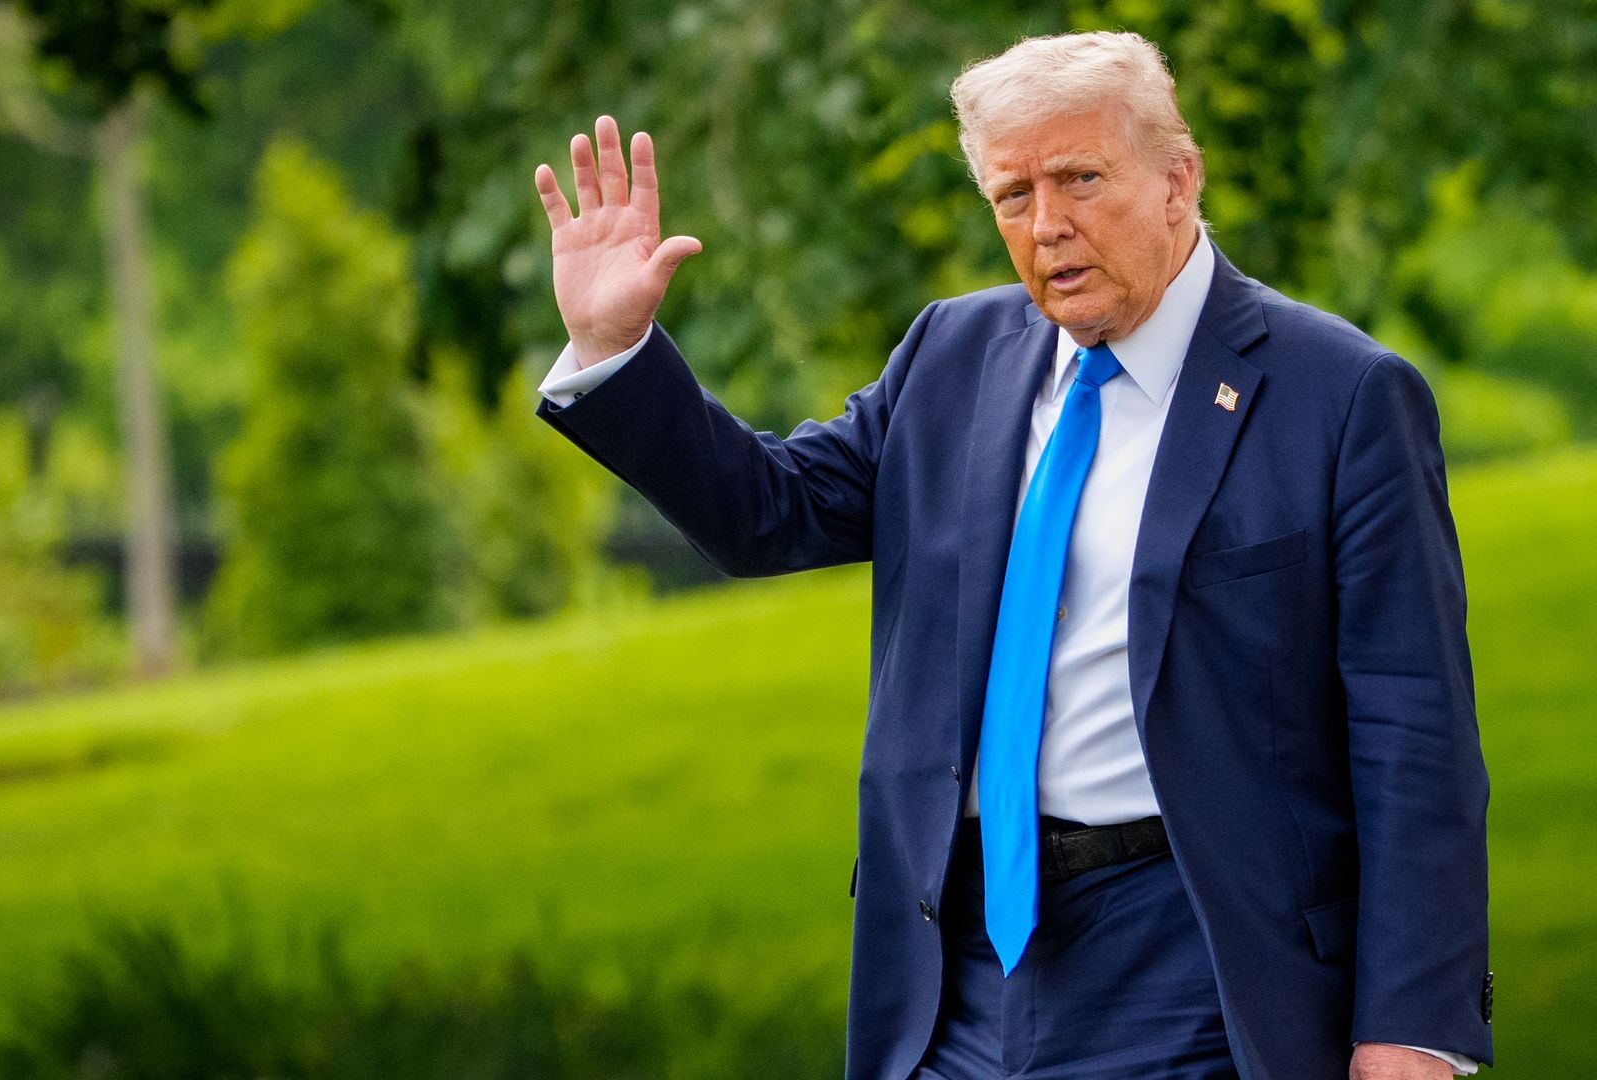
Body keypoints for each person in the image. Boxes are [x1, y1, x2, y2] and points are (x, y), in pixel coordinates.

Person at [528, 30, 1491, 1080]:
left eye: (1081, 178)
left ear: (1179, 179)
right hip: (952, 975)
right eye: (1012, 195)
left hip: (1197, 961)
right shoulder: (951, 356)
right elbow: (771, 513)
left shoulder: (1341, 396)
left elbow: (1415, 732)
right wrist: (618, 352)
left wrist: (1412, 1028)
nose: (1048, 225)